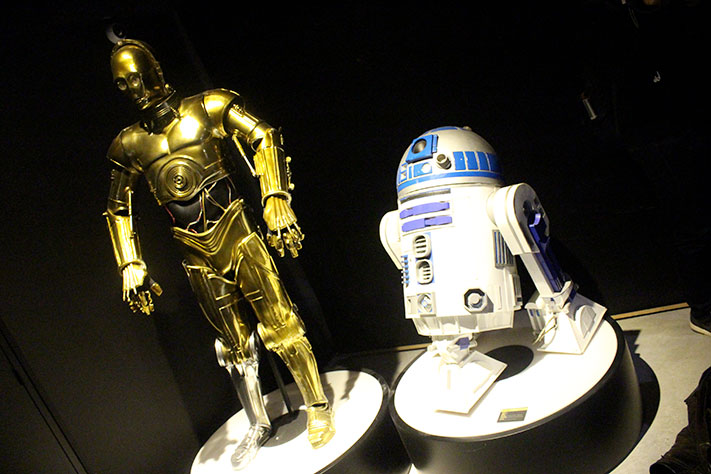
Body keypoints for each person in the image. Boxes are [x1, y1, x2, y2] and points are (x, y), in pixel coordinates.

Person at [103, 39, 335, 469]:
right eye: (123, 84)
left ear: (154, 71)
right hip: (195, 253)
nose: (134, 90)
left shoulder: (207, 108)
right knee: (232, 347)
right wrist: (130, 262)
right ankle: (258, 421)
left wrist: (275, 196)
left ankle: (317, 405)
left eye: (137, 77)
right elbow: (117, 208)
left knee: (281, 325)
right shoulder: (130, 145)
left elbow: (264, 135)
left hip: (238, 235)